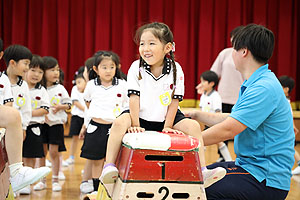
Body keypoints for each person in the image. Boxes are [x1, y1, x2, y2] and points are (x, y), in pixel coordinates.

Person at [100, 22, 226, 188]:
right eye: (142, 44)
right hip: (139, 115)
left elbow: (175, 101)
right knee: (118, 123)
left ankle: (201, 170)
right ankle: (109, 166)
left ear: (167, 48)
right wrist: (135, 124)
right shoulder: (135, 67)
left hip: (168, 116)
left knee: (194, 126)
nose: (145, 48)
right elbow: (134, 98)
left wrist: (167, 125)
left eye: (151, 43)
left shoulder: (176, 69)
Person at [186, 24, 294, 199]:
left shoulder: (263, 87)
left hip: (265, 179)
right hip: (250, 168)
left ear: (244, 51)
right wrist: (197, 115)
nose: (231, 53)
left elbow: (229, 129)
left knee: (194, 189)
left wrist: (187, 144)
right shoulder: (258, 82)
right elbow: (232, 119)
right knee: (191, 177)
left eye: (233, 49)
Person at [0, 42, 50, 192]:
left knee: (22, 153)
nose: (29, 69)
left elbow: (12, 107)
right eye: (27, 64)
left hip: (21, 126)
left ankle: (16, 175)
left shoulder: (5, 82)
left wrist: (20, 126)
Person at [80, 51, 128, 193]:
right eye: (104, 67)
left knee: (112, 159)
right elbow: (87, 102)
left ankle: (111, 188)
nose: (108, 70)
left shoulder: (122, 84)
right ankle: (96, 189)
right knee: (96, 159)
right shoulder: (91, 85)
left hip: (115, 128)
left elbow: (127, 105)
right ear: (96, 69)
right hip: (95, 127)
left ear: (117, 67)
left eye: (111, 67)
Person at [210, 26, 244, 162]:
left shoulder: (247, 54)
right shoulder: (225, 53)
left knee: (238, 130)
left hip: (240, 97)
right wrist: (206, 83)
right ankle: (222, 157)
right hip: (223, 96)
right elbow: (214, 73)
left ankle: (239, 157)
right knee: (222, 127)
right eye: (232, 37)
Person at [19, 55, 50, 195]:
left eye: (40, 72)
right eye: (33, 70)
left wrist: (27, 113)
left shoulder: (41, 90)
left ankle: (27, 183)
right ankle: (16, 181)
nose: (36, 75)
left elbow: (45, 109)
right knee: (17, 156)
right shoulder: (19, 86)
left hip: (34, 128)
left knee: (30, 156)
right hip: (18, 126)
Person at [40, 56, 71, 192]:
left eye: (57, 70)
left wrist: (60, 107)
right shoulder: (39, 88)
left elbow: (68, 104)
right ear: (43, 72)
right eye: (52, 70)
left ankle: (56, 179)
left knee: (54, 152)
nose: (56, 73)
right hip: (42, 124)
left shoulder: (60, 88)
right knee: (42, 153)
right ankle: (42, 181)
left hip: (56, 124)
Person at [196, 70, 232, 162]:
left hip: (213, 124)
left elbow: (218, 114)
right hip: (206, 124)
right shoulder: (203, 95)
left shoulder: (216, 96)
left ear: (211, 83)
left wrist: (215, 125)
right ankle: (200, 161)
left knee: (217, 142)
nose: (202, 84)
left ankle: (229, 160)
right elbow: (202, 111)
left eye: (204, 81)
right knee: (205, 141)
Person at [4, 45, 32, 137]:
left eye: (29, 64)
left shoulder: (23, 85)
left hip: (16, 128)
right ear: (12, 63)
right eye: (25, 63)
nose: (27, 68)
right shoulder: (1, 80)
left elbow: (26, 108)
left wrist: (24, 127)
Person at [278, 75, 300, 175]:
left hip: (284, 129)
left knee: (289, 147)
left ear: (286, 89)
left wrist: (292, 126)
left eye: (280, 86)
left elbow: (288, 115)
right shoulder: (284, 100)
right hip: (285, 128)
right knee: (288, 148)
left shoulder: (284, 101)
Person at [66, 67, 86, 165]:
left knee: (87, 140)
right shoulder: (74, 89)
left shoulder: (89, 90)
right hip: (77, 117)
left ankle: (87, 161)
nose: (77, 85)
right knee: (74, 138)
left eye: (80, 82)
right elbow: (75, 102)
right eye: (76, 82)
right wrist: (87, 110)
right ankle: (71, 157)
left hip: (86, 118)